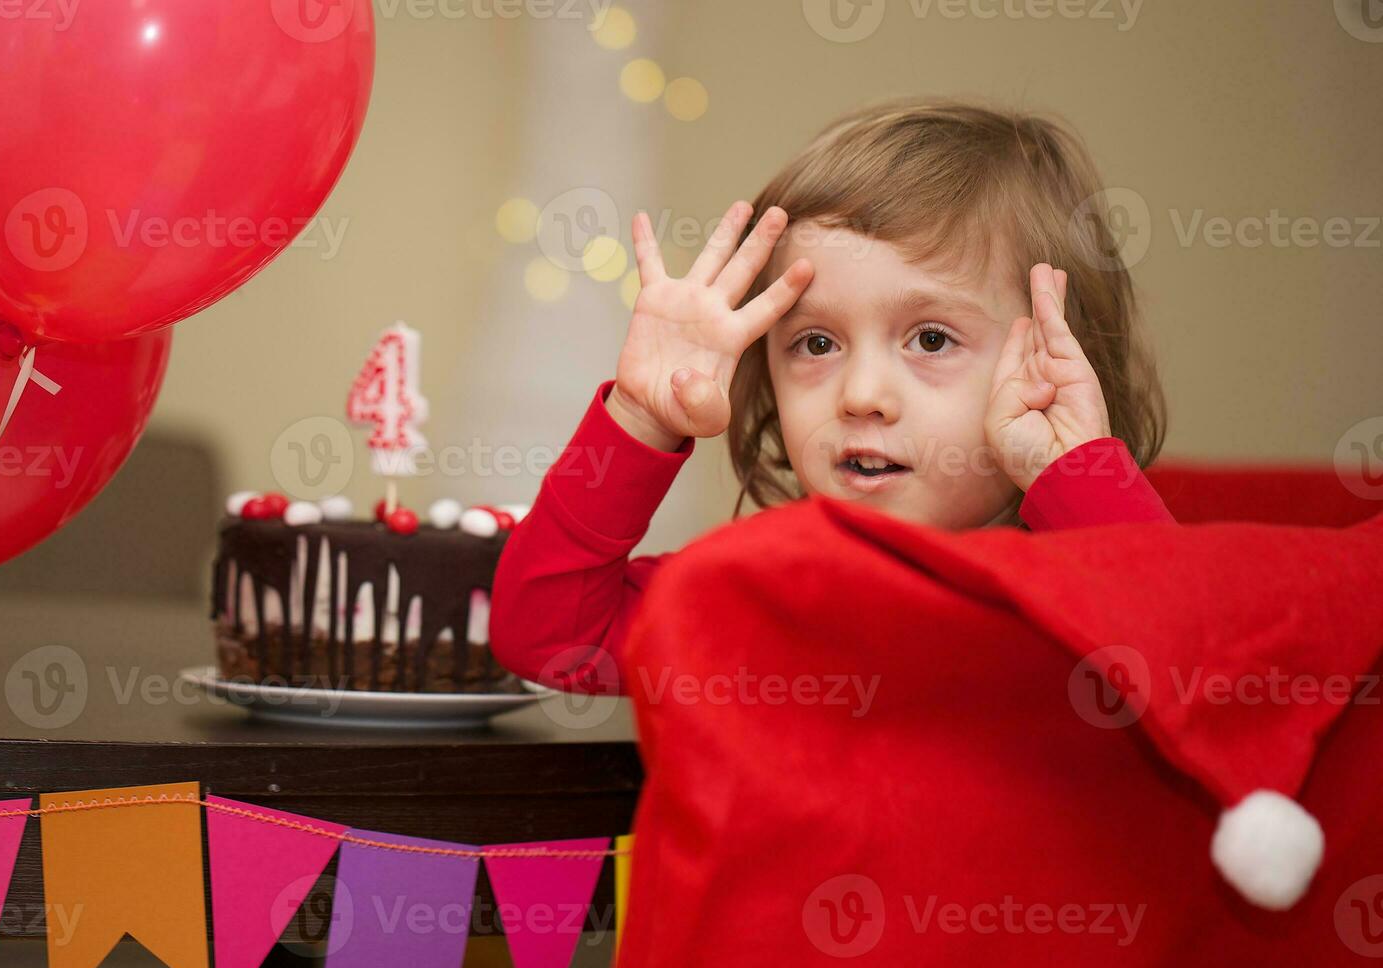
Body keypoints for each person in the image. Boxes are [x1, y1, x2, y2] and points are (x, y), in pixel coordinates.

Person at [491, 97, 1174, 696]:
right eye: (816, 344)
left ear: (1054, 362)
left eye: (930, 340)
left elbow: (1202, 668)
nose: (862, 395)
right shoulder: (754, 593)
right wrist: (638, 419)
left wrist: (1077, 471)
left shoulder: (1082, 598)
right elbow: (548, 639)